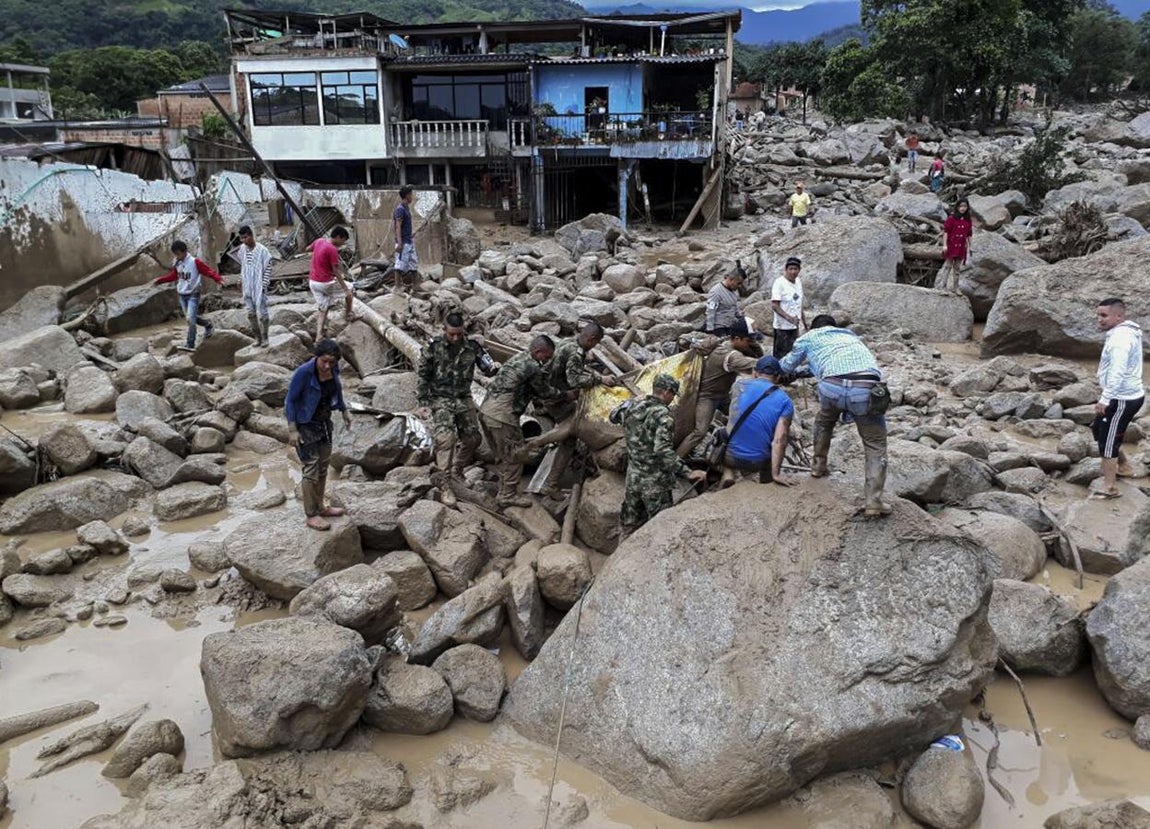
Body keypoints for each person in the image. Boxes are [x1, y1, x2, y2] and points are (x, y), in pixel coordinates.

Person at [780, 314, 891, 517]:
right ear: (834, 326)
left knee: (824, 421)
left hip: (831, 387)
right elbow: (842, 366)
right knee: (875, 444)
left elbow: (786, 366)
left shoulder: (809, 337)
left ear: (813, 328)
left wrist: (782, 370)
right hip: (866, 389)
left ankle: (818, 466)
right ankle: (873, 501)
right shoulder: (850, 336)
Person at [416, 312, 498, 508]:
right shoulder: (434, 347)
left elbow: (487, 366)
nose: (455, 338)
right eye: (451, 334)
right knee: (446, 439)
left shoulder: (473, 347)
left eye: (459, 334)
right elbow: (423, 375)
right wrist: (423, 402)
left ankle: (457, 468)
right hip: (441, 398)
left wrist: (494, 367)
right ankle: (444, 484)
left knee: (473, 438)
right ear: (445, 330)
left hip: (463, 397)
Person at [612, 373, 706, 538]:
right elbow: (662, 450)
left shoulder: (633, 406)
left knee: (629, 525)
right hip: (655, 482)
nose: (672, 399)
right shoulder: (664, 416)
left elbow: (613, 416)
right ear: (667, 392)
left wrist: (631, 401)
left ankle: (622, 560)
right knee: (661, 529)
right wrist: (687, 472)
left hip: (633, 478)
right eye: (672, 395)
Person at [531, 322, 617, 498]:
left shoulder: (567, 343)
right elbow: (574, 380)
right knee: (569, 436)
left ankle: (544, 453)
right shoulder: (575, 352)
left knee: (569, 432)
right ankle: (550, 481)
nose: (594, 346)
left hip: (549, 393)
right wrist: (600, 379)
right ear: (591, 339)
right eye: (595, 343)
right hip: (557, 399)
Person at [478, 335, 561, 508]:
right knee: (516, 454)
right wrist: (566, 395)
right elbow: (545, 392)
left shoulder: (518, 358)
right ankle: (508, 495)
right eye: (546, 357)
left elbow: (527, 389)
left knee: (501, 454)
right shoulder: (532, 367)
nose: (547, 361)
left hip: (486, 410)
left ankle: (503, 488)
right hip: (503, 416)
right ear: (538, 352)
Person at [286, 339, 351, 531]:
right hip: (304, 423)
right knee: (311, 468)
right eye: (324, 361)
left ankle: (321, 506)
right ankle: (311, 514)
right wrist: (292, 429)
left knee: (323, 466)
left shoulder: (333, 369)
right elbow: (290, 400)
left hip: (323, 421)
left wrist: (344, 410)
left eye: (332, 362)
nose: (327, 366)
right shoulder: (304, 373)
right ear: (316, 358)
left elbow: (337, 388)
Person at [676, 319, 759, 459]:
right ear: (737, 339)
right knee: (700, 432)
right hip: (707, 396)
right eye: (748, 340)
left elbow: (756, 354)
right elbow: (755, 364)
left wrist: (752, 343)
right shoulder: (730, 355)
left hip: (723, 395)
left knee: (746, 416)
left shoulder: (728, 345)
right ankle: (675, 461)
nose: (750, 344)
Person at [1091, 298, 1144, 500]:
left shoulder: (1120, 340)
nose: (1099, 320)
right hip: (1122, 395)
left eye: (1104, 315)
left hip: (1122, 398)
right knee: (1098, 429)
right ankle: (1124, 466)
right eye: (1098, 315)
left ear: (1119, 316)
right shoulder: (1123, 332)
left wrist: (1105, 399)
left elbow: (1117, 372)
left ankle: (1110, 488)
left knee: (1107, 441)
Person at [721, 355, 796, 487]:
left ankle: (728, 473)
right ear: (778, 377)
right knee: (775, 436)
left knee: (723, 433)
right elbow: (779, 440)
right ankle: (767, 482)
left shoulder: (738, 385)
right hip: (758, 462)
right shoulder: (786, 401)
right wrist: (776, 473)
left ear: (755, 373)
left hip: (730, 457)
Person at [153, 240, 221, 352]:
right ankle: (208, 324)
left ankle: (190, 344)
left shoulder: (195, 262)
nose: (177, 256)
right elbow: (174, 276)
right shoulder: (177, 262)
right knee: (191, 318)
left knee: (190, 319)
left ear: (184, 252)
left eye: (178, 254)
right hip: (182, 294)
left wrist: (218, 279)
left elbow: (208, 271)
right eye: (175, 254)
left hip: (193, 293)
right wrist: (160, 281)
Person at [307, 226, 354, 343]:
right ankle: (349, 315)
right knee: (350, 288)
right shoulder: (332, 249)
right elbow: (336, 271)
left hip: (312, 282)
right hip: (324, 283)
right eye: (343, 241)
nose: (342, 244)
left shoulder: (319, 241)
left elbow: (307, 248)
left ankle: (319, 336)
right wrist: (345, 289)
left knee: (323, 309)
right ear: (338, 237)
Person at [237, 225, 273, 347]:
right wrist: (241, 279)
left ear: (251, 235)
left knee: (263, 313)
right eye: (241, 238)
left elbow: (268, 268)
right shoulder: (242, 249)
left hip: (259, 285)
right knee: (251, 313)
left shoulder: (263, 251)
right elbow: (243, 266)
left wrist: (264, 284)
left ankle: (265, 337)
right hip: (247, 285)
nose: (243, 241)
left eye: (245, 237)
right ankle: (257, 338)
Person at [770, 256, 806, 359]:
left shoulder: (798, 282)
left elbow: (799, 303)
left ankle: (791, 374)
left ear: (799, 270)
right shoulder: (779, 283)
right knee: (781, 355)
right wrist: (790, 318)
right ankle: (780, 374)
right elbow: (775, 305)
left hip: (795, 325)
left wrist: (804, 322)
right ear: (786, 270)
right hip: (782, 326)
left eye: (795, 269)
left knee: (793, 352)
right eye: (790, 269)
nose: (793, 272)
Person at [940, 199, 973, 294]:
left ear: (967, 207)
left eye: (965, 206)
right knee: (948, 266)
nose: (963, 208)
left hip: (961, 246)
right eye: (961, 206)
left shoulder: (968, 220)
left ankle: (955, 287)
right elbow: (946, 232)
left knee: (957, 268)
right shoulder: (952, 218)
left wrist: (971, 246)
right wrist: (945, 245)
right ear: (957, 207)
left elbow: (969, 234)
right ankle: (943, 287)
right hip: (951, 245)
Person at [704, 265, 745, 336]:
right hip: (719, 327)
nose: (740, 286)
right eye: (738, 283)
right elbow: (710, 311)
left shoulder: (734, 290)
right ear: (731, 279)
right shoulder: (716, 292)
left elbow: (735, 306)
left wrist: (741, 317)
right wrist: (710, 331)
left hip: (731, 323)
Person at [392, 185, 418, 290]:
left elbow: (405, 226)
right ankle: (397, 286)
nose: (412, 197)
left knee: (414, 263)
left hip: (409, 240)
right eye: (411, 195)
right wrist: (399, 242)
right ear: (407, 195)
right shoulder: (400, 209)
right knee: (399, 266)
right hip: (403, 242)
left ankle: (416, 286)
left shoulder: (406, 208)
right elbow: (397, 226)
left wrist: (410, 234)